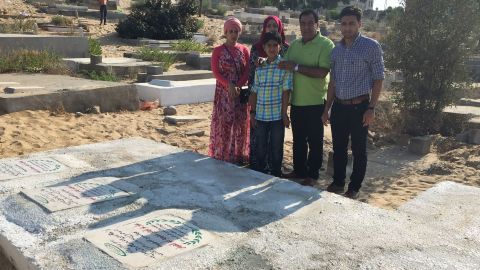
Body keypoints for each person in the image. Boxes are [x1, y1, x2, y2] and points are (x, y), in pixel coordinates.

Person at [322, 6, 385, 199]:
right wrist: (327, 109)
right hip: (339, 106)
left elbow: (378, 79)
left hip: (360, 107)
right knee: (339, 148)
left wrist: (371, 108)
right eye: (344, 24)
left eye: (351, 23)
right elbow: (333, 81)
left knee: (359, 150)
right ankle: (338, 182)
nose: (347, 27)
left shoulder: (371, 46)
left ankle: (354, 187)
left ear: (359, 24)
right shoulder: (336, 50)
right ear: (340, 25)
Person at [278, 9, 334, 186]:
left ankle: (313, 175)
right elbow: (283, 66)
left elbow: (322, 72)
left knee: (315, 142)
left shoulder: (326, 45)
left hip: (316, 102)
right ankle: (299, 170)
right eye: (303, 23)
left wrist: (296, 67)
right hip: (297, 102)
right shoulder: (294, 46)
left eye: (310, 23)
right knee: (299, 140)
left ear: (317, 24)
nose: (306, 27)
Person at [248, 15, 290, 171]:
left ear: (280, 46)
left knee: (276, 147)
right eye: (269, 45)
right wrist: (252, 112)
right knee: (260, 147)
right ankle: (260, 172)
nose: (272, 48)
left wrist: (284, 113)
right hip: (261, 115)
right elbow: (254, 90)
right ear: (264, 48)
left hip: (277, 116)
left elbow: (286, 91)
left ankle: (276, 173)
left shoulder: (284, 66)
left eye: (275, 45)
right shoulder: (260, 67)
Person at [209, 17, 250, 164]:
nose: (233, 34)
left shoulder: (244, 50)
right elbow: (216, 72)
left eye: (236, 31)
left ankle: (238, 155)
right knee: (225, 124)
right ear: (225, 32)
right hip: (223, 94)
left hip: (239, 93)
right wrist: (229, 85)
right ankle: (224, 154)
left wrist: (238, 85)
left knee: (240, 124)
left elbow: (247, 70)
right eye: (230, 31)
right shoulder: (218, 51)